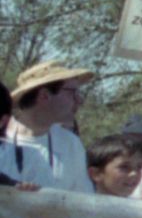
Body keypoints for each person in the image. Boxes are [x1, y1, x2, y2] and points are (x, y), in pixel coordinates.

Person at [4, 61, 96, 194]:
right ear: (44, 96)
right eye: (72, 92)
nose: (79, 100)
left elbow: (83, 200)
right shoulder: (3, 138)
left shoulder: (70, 144)